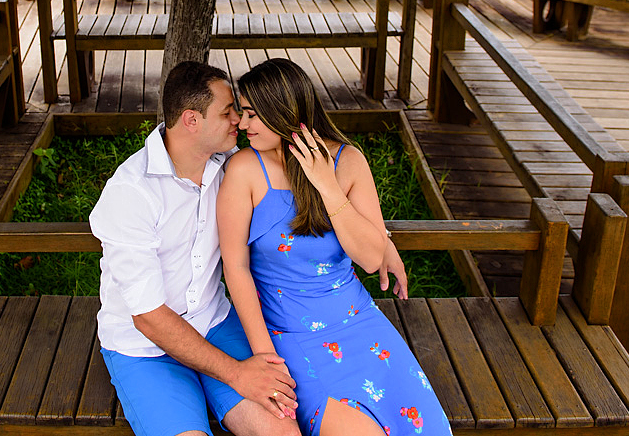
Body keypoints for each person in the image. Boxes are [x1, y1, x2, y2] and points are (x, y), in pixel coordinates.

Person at [90, 62, 410, 436]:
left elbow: (301, 192)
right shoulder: (131, 194)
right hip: (147, 347)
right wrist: (237, 373)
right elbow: (148, 317)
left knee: (283, 432)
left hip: (215, 323)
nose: (239, 121)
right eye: (228, 112)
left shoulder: (225, 164)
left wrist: (382, 239)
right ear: (191, 120)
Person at [217, 58, 451, 436]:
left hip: (360, 322)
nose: (243, 125)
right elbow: (236, 269)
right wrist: (265, 357)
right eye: (242, 114)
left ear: (284, 113)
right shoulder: (245, 170)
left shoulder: (348, 161)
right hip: (290, 334)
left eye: (251, 115)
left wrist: (325, 183)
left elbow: (372, 258)